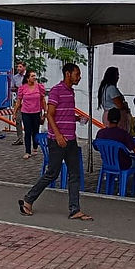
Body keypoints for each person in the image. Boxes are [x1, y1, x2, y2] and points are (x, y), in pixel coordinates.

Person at [19, 63, 92, 221]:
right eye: (76, 74)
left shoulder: (70, 92)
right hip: (57, 141)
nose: (79, 77)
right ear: (67, 74)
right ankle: (28, 200)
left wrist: (78, 118)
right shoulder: (56, 91)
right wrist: (58, 135)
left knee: (74, 174)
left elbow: (63, 114)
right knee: (52, 173)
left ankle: (75, 209)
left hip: (70, 140)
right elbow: (50, 114)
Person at [94, 109, 135, 197]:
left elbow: (96, 147)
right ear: (119, 119)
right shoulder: (123, 134)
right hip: (123, 164)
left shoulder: (101, 133)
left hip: (107, 164)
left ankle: (118, 188)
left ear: (107, 118)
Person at [14, 69, 46, 159]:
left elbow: (43, 100)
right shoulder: (23, 88)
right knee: (27, 131)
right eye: (32, 76)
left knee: (35, 131)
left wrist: (45, 111)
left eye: (35, 76)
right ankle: (27, 151)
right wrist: (15, 112)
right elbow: (19, 101)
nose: (34, 78)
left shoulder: (39, 87)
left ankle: (35, 147)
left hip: (36, 112)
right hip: (26, 112)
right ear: (28, 78)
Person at [10, 62, 27, 146]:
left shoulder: (29, 76)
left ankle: (31, 138)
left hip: (28, 102)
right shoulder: (15, 77)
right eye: (17, 67)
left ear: (24, 67)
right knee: (18, 120)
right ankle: (20, 138)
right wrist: (17, 89)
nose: (18, 68)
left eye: (20, 67)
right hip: (18, 101)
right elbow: (11, 88)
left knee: (28, 121)